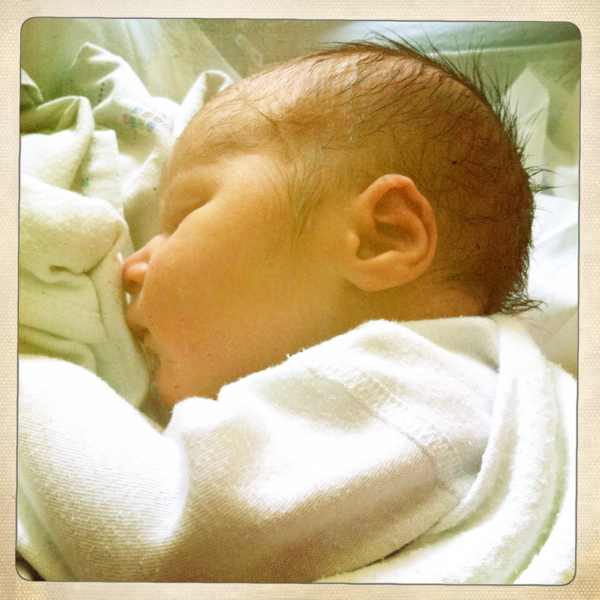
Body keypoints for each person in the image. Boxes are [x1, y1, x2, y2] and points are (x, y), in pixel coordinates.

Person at [17, 40, 574, 583]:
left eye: (184, 216)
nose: (133, 266)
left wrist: (29, 368)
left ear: (382, 236)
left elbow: (158, 535)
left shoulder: (412, 390)